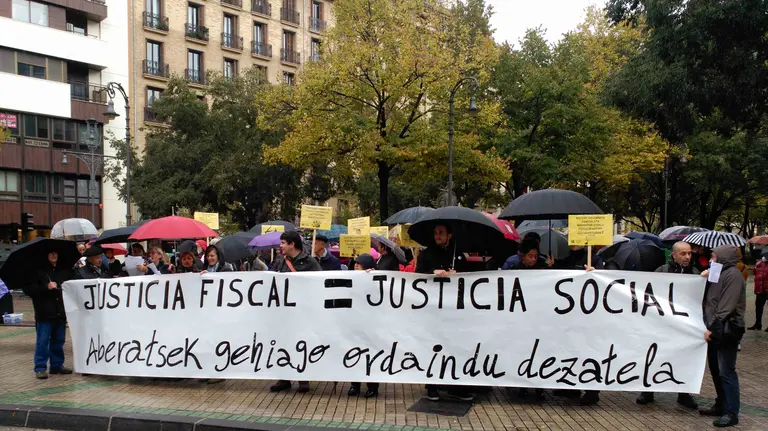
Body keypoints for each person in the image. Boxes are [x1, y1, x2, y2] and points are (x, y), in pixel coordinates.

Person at [635, 241, 699, 409]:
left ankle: (684, 394)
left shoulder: (695, 273)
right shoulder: (661, 271)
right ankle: (647, 391)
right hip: (662, 324)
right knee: (655, 355)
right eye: (683, 254)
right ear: (674, 255)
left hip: (684, 325)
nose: (687, 257)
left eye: (689, 253)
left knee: (684, 358)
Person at [415, 224, 473, 402]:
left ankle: (456, 386)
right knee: (434, 346)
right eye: (435, 232)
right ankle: (432, 386)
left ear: (449, 235)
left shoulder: (459, 254)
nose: (437, 235)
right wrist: (433, 272)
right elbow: (417, 275)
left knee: (455, 346)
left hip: (454, 310)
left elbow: (470, 277)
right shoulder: (426, 254)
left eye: (441, 233)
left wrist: (458, 273)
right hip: (434, 309)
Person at [698, 246, 745, 427]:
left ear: (723, 257)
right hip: (715, 328)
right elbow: (711, 298)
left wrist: (714, 327)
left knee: (726, 370)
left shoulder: (733, 276)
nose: (711, 259)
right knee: (716, 370)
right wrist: (705, 278)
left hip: (726, 330)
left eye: (714, 256)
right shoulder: (718, 272)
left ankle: (731, 412)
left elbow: (726, 305)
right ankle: (721, 404)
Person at [270, 231, 322, 394]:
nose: (281, 246)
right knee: (283, 343)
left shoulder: (310, 262)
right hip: (283, 312)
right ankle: (284, 378)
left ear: (292, 244)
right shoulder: (280, 262)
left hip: (303, 312)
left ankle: (303, 378)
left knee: (301, 343)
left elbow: (320, 282)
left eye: (283, 243)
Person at [552, 245, 603, 406]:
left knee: (588, 351)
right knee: (570, 349)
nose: (573, 242)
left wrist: (596, 273)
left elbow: (604, 280)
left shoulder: (594, 259)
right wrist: (551, 266)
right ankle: (571, 386)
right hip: (569, 314)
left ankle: (592, 391)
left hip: (588, 315)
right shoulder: (568, 258)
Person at [23, 249, 73, 379]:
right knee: (43, 341)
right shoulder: (38, 271)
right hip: (44, 312)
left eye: (56, 252)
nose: (53, 255)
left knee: (59, 340)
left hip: (60, 312)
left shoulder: (64, 271)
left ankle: (57, 365)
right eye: (50, 252)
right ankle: (40, 367)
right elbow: (28, 289)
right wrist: (46, 287)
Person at [510, 239, 546, 400]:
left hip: (537, 320)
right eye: (530, 256)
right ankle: (521, 385)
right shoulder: (514, 270)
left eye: (535, 256)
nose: (533, 259)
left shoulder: (543, 269)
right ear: (523, 256)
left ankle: (538, 386)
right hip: (521, 321)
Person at [348, 253, 381, 398]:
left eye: (359, 263)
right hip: (354, 323)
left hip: (370, 325)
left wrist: (373, 278)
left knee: (369, 355)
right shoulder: (349, 279)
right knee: (354, 354)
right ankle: (354, 385)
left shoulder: (375, 278)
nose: (356, 266)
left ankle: (372, 386)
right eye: (355, 263)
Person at [749, 252, 768, 330]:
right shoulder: (759, 264)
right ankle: (758, 324)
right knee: (758, 308)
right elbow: (754, 273)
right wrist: (755, 267)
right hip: (760, 289)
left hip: (767, 289)